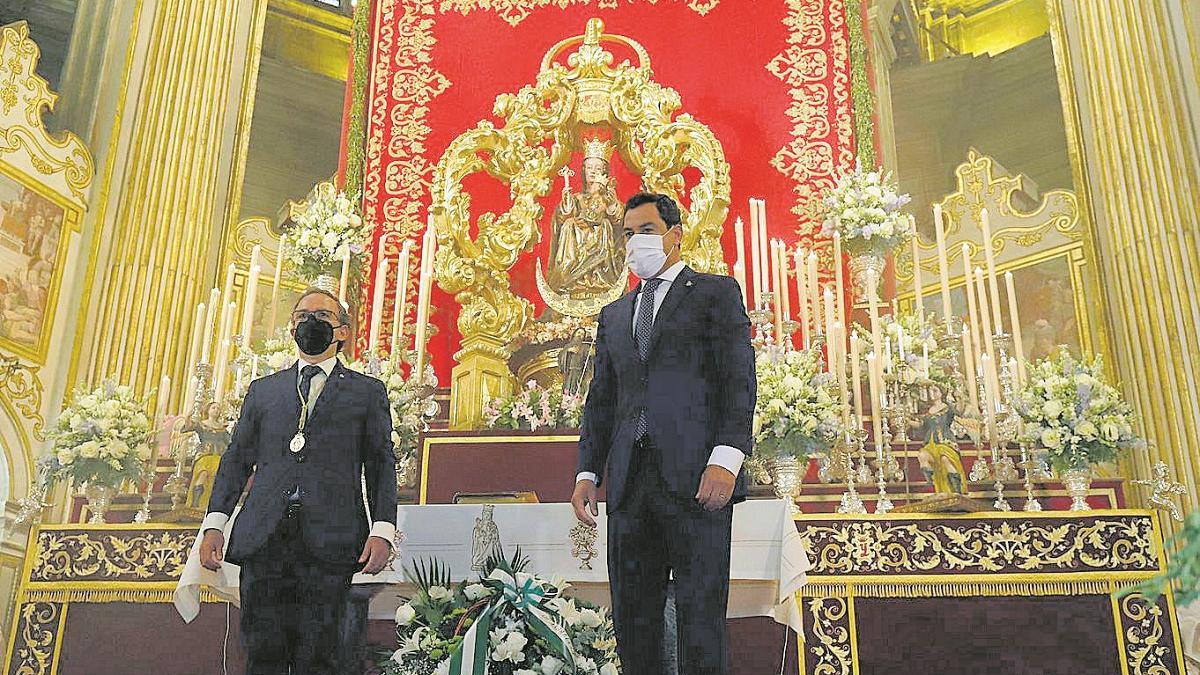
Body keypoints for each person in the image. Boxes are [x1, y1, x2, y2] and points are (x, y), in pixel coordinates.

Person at [571, 192, 755, 675]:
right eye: (628, 234)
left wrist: (727, 459)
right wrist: (587, 471)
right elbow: (602, 401)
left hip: (697, 478)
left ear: (675, 234)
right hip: (631, 485)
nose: (636, 242)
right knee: (634, 622)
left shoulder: (715, 292)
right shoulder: (614, 314)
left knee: (699, 620)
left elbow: (738, 379)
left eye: (646, 230)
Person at [198, 287, 397, 675]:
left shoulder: (366, 392)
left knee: (320, 658)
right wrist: (214, 524)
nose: (310, 323)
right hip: (265, 539)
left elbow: (380, 463)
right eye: (302, 316)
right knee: (262, 654)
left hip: (331, 541)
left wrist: (383, 529)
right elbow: (237, 460)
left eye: (321, 317)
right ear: (292, 328)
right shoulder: (264, 391)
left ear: (342, 332)